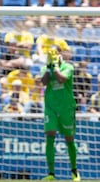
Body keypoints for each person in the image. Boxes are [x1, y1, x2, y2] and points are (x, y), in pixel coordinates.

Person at [40, 46, 81, 181]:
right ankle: (51, 174)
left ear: (60, 55)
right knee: (50, 136)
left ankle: (74, 171)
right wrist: (48, 67)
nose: (52, 56)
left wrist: (56, 66)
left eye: (55, 53)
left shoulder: (68, 67)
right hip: (50, 107)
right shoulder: (46, 67)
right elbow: (44, 82)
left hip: (66, 108)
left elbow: (61, 79)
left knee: (69, 139)